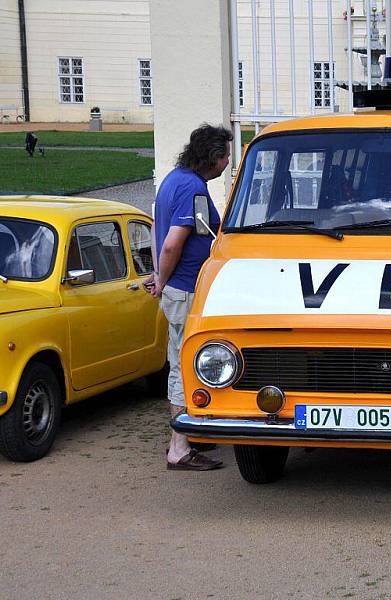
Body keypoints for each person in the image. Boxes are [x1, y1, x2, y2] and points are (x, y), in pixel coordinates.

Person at [147, 123, 233, 471]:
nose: (229, 162)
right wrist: (162, 280)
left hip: (175, 286)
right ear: (213, 158)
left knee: (183, 360)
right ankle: (179, 447)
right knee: (184, 366)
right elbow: (172, 241)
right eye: (226, 156)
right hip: (185, 290)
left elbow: (156, 230)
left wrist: (158, 276)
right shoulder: (193, 188)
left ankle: (191, 433)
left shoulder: (173, 179)